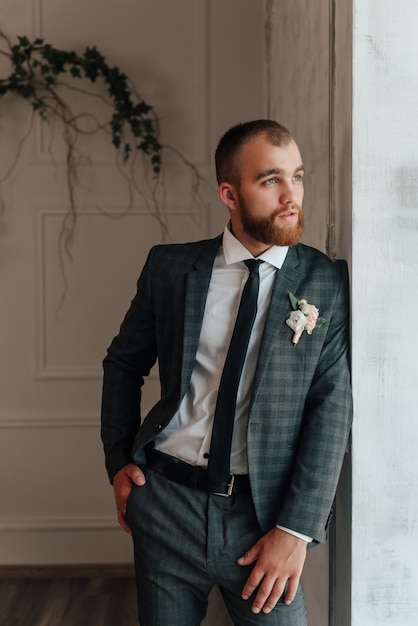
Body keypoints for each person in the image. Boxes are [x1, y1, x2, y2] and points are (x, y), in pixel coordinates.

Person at [101, 119, 353, 626]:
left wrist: (296, 530)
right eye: (270, 180)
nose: (291, 195)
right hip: (165, 502)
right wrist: (117, 460)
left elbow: (331, 409)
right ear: (229, 193)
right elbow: (123, 363)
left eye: (298, 176)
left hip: (260, 523)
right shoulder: (172, 270)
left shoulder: (324, 281)